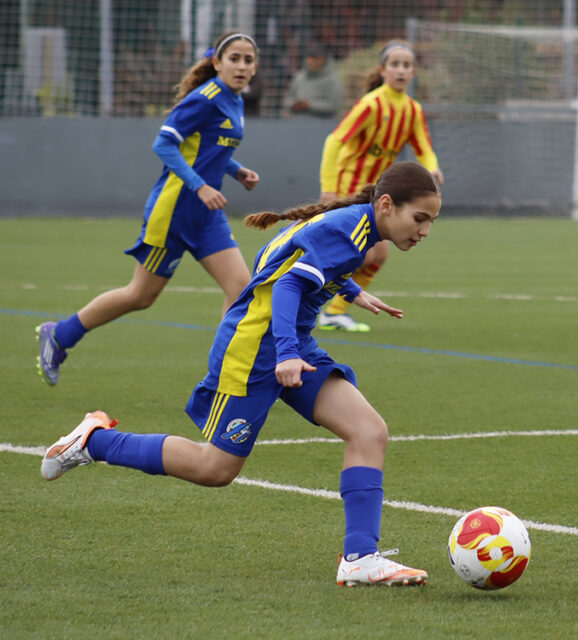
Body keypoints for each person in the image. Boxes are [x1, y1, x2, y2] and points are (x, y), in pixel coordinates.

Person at [40, 161, 442, 587]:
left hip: (290, 342)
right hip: (255, 348)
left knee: (368, 431)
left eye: (432, 222)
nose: (425, 231)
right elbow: (287, 284)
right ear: (385, 205)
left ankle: (360, 557)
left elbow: (285, 257)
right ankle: (94, 441)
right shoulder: (346, 230)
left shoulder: (355, 226)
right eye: (420, 218)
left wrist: (351, 291)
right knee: (214, 469)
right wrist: (286, 353)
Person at [35, 31, 262, 386]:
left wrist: (236, 170)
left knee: (241, 289)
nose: (242, 66)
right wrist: (200, 185)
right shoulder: (204, 99)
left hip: (207, 215)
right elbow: (165, 144)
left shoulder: (235, 100)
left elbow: (209, 147)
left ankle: (224, 375)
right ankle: (60, 335)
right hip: (174, 212)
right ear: (217, 62)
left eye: (249, 60)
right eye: (235, 58)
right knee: (140, 296)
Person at [317, 40, 443, 332]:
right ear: (383, 70)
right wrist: (329, 188)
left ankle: (333, 312)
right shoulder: (371, 104)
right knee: (350, 251)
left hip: (377, 193)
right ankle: (311, 302)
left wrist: (432, 167)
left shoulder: (412, 109)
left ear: (413, 72)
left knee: (377, 254)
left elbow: (423, 145)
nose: (401, 70)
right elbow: (335, 141)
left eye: (406, 65)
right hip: (350, 188)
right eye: (395, 64)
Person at [282, 42, 345, 119]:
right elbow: (288, 99)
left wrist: (310, 105)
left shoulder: (332, 79)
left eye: (315, 57)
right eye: (309, 57)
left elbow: (334, 105)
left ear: (324, 59)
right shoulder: (300, 76)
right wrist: (294, 104)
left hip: (324, 122)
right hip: (297, 120)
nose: (311, 61)